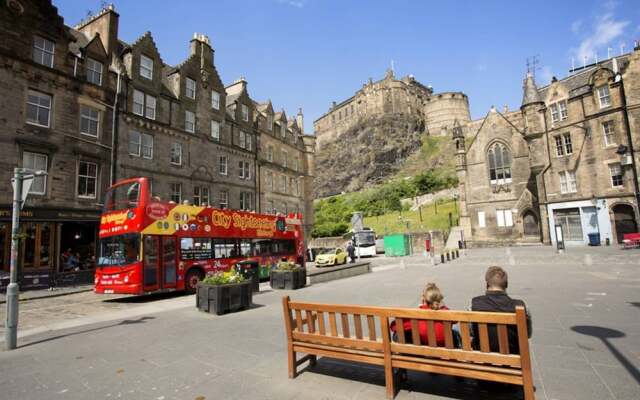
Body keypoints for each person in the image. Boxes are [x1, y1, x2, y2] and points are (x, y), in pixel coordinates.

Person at [471, 266, 532, 354]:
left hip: (483, 358)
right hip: (513, 359)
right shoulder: (520, 307)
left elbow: (472, 332)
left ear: (487, 285)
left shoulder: (474, 304)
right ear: (506, 284)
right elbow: (527, 334)